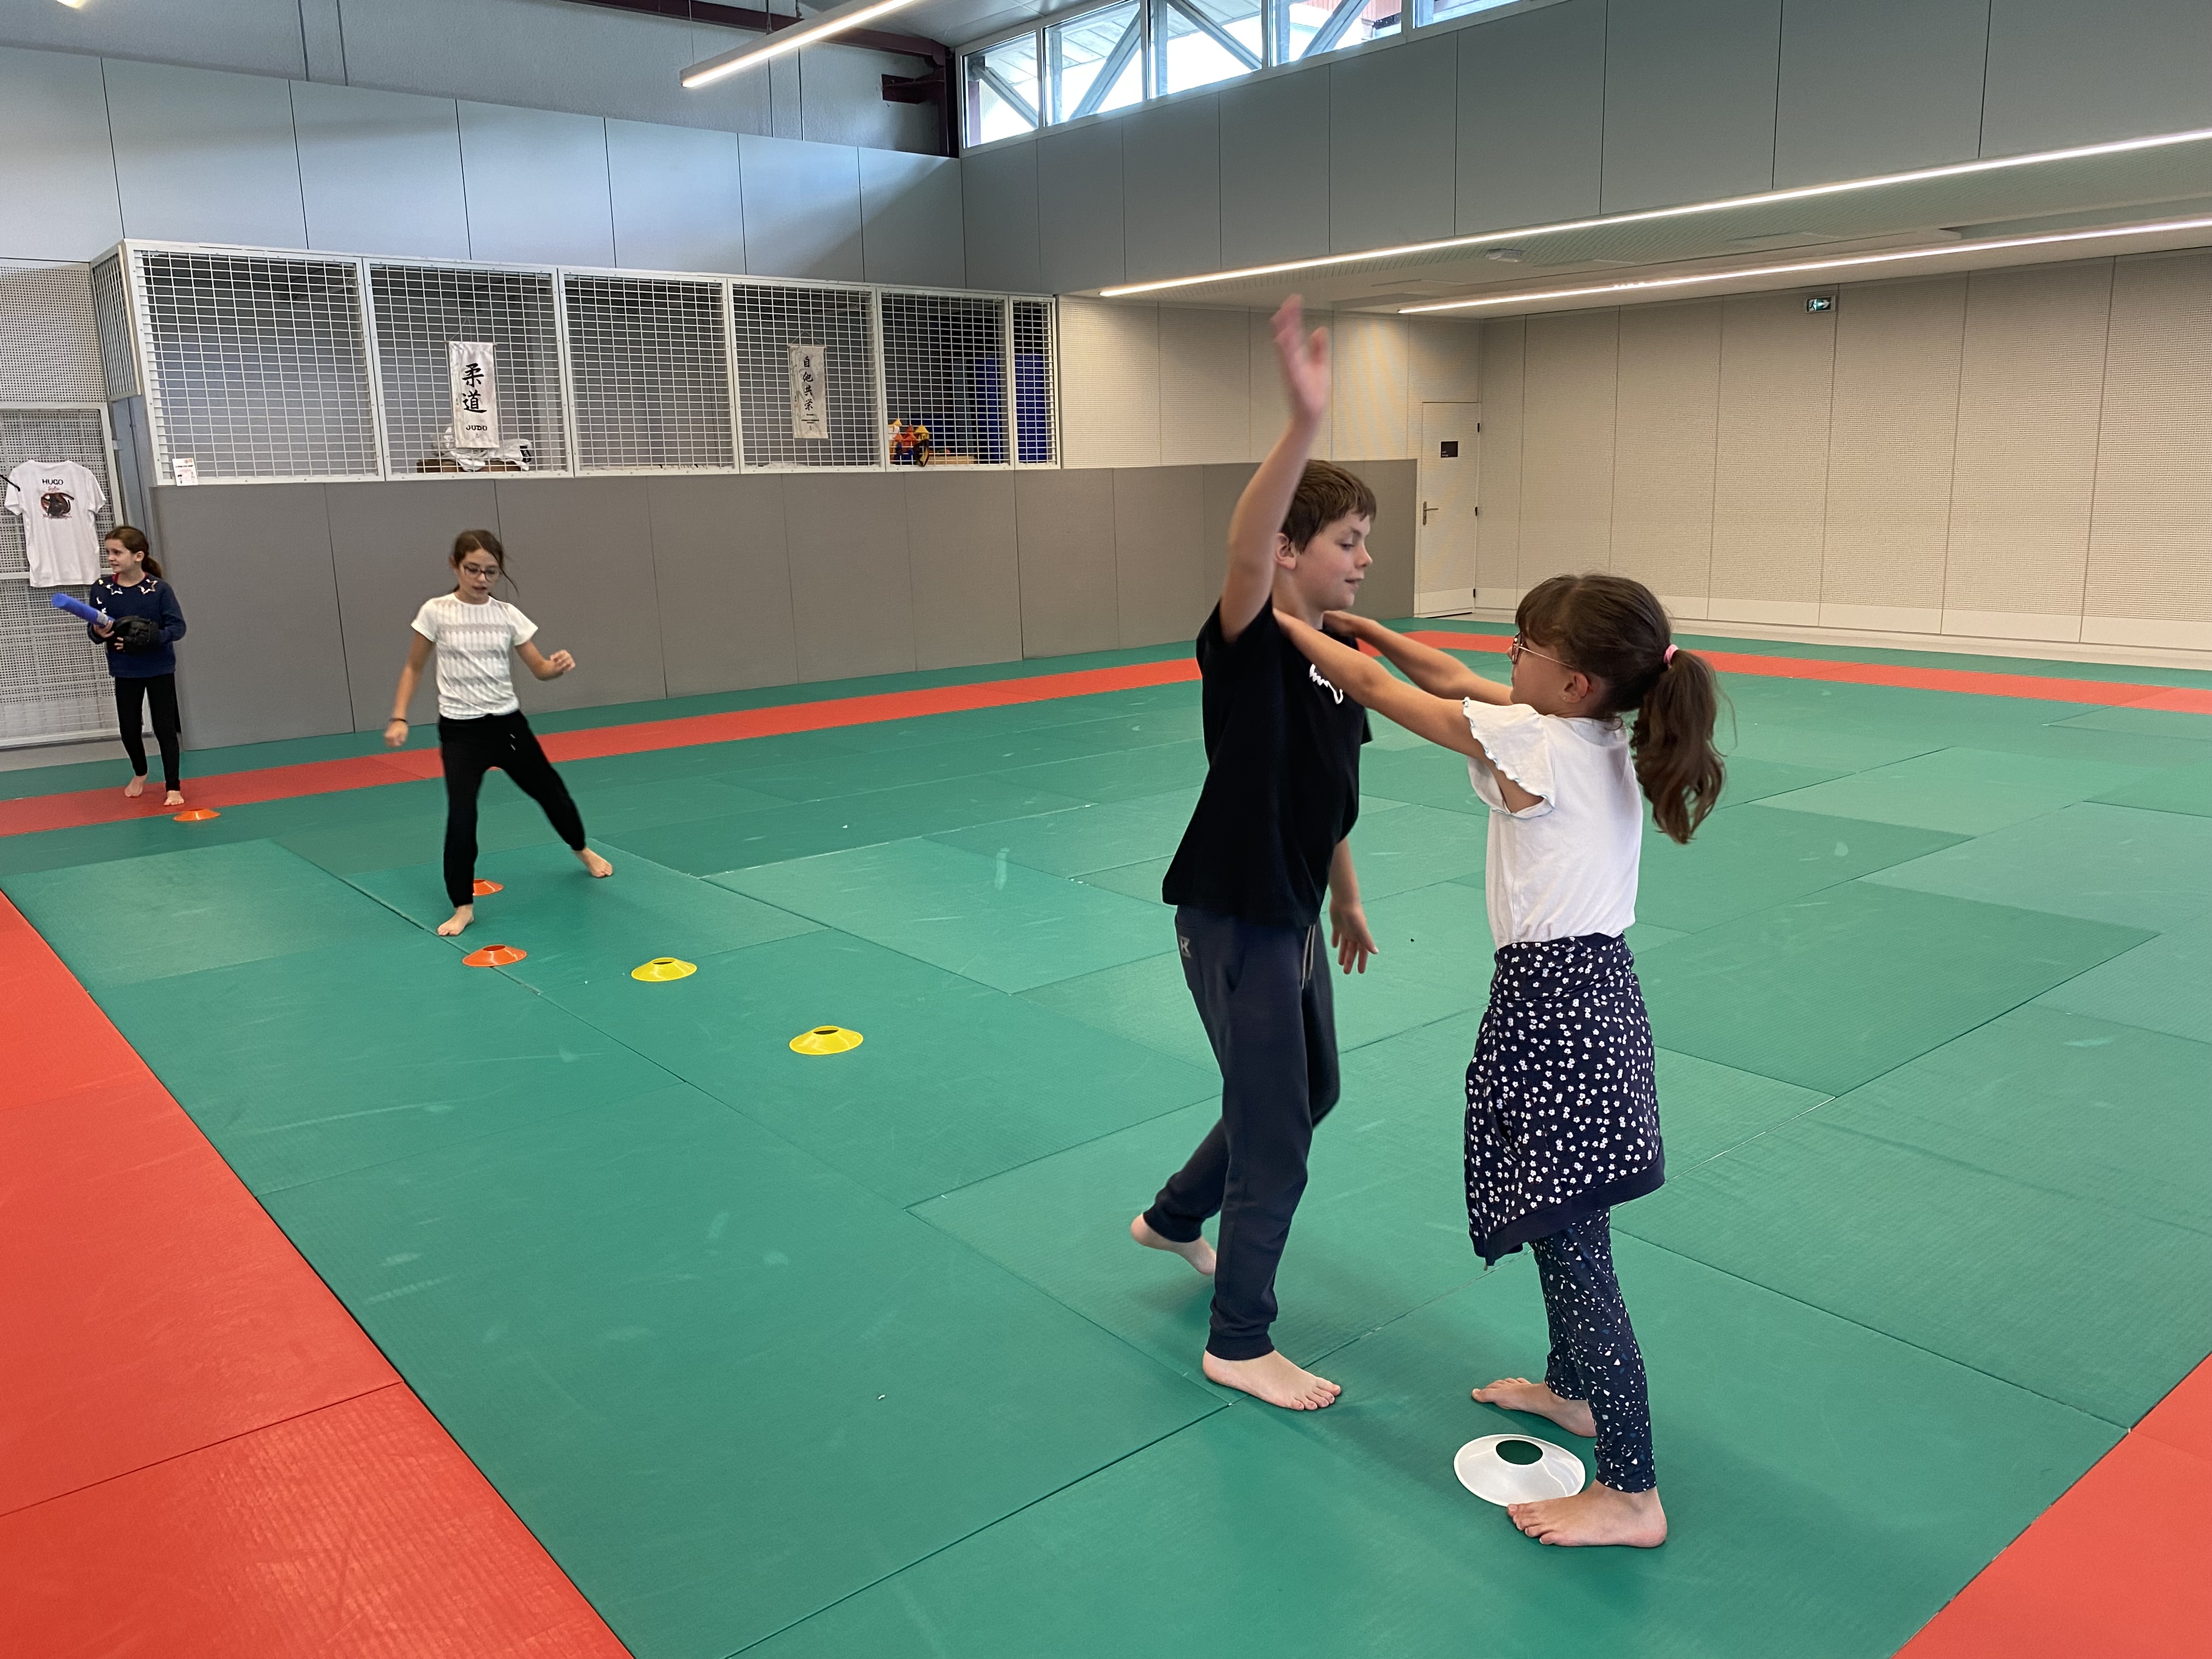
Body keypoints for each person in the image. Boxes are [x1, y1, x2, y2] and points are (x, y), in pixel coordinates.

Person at [1274, 574, 1724, 1549]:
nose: (1506, 656)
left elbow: (1398, 697)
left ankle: (1631, 1491)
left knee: (1576, 1246)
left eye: (1524, 646)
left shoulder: (1541, 743)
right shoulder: (1592, 731)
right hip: (1588, 999)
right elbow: (1449, 675)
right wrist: (1370, 625)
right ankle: (1571, 1388)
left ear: (1574, 681)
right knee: (1567, 1217)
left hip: (1556, 1017)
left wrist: (1276, 617)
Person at [1130, 296, 1380, 1413]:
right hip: (1232, 916)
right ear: (1289, 550)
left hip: (1291, 910)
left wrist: (1350, 901)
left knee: (1312, 1089)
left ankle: (1177, 1216)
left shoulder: (1339, 661)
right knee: (1276, 1134)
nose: (1365, 559)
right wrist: (1303, 423)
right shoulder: (1248, 644)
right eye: (1345, 541)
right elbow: (1241, 547)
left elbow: (1331, 800)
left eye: (1367, 540)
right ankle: (1240, 1341)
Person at [384, 530, 612, 936]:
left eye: (490, 572)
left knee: (551, 792)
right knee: (462, 815)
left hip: (508, 727)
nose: (482, 579)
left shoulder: (507, 615)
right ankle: (462, 905)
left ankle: (581, 849)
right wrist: (399, 716)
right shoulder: (436, 612)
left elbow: (538, 668)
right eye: (473, 569)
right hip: (461, 732)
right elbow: (413, 667)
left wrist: (554, 667)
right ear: (455, 565)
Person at [86, 527, 188, 807]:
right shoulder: (102, 589)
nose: (111, 558)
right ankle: (140, 772)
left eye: (117, 552)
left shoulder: (159, 590)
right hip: (125, 668)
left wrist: (153, 637)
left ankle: (173, 787)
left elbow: (178, 628)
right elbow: (95, 630)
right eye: (108, 552)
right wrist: (99, 632)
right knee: (129, 729)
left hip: (159, 667)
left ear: (138, 556)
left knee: (165, 728)